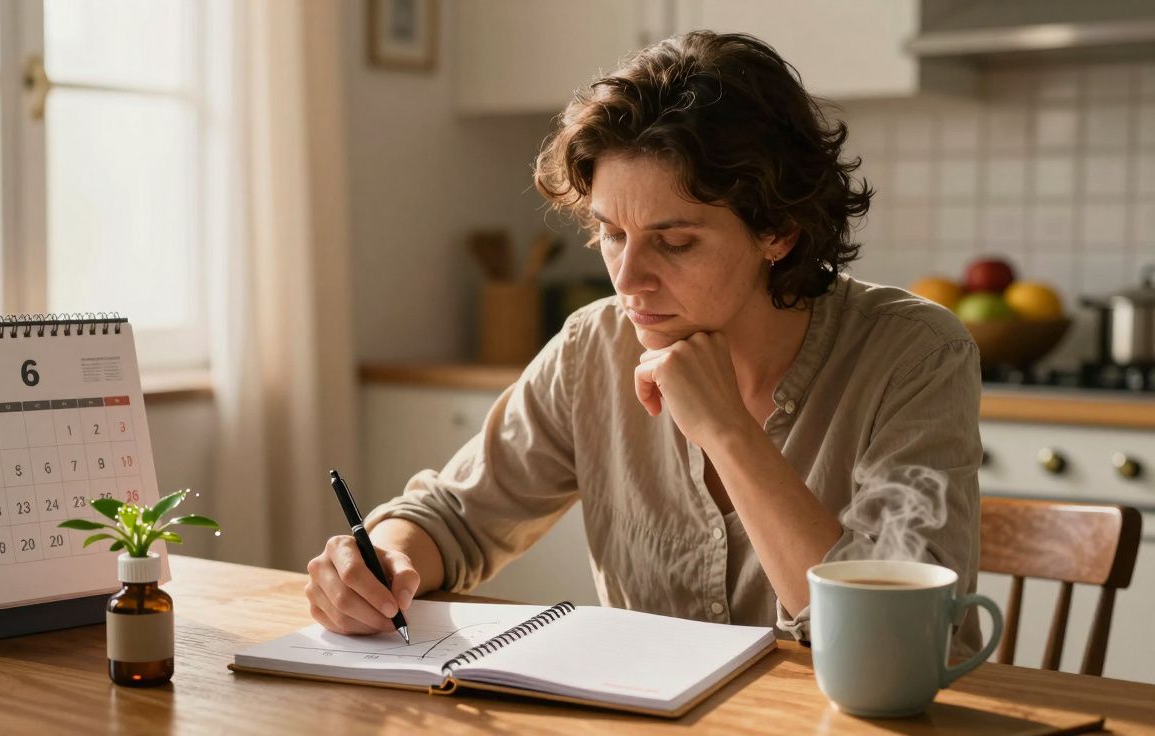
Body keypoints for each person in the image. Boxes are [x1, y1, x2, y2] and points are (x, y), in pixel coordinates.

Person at [305, 31, 984, 655]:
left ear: (778, 232)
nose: (628, 280)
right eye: (611, 234)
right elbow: (454, 516)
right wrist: (384, 561)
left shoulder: (916, 355)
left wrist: (728, 432)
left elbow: (895, 641)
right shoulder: (594, 345)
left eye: (675, 241)